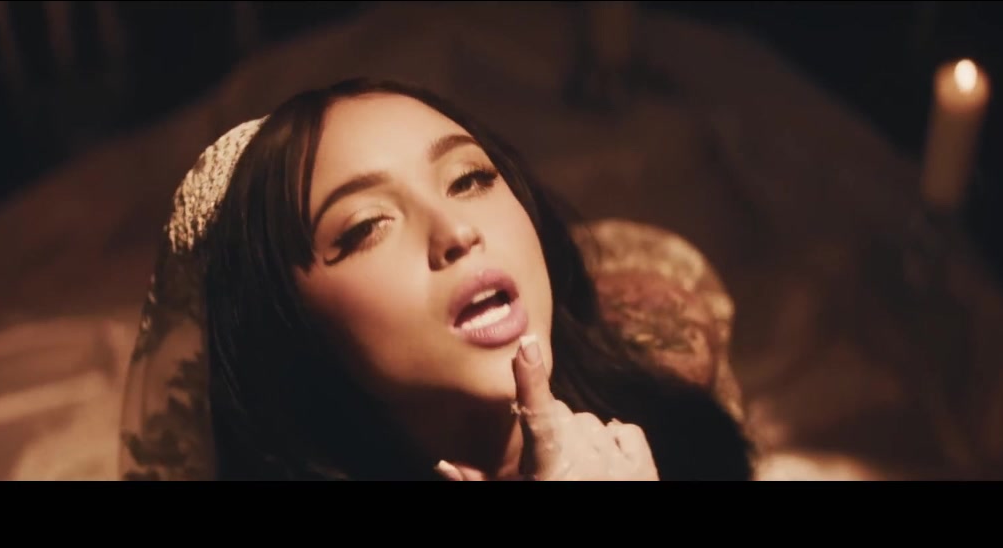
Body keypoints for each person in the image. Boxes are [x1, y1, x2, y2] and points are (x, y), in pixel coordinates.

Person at [193, 77, 754, 480]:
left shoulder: (676, 397)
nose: (456, 231)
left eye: (469, 179)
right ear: (288, 323)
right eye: (367, 225)